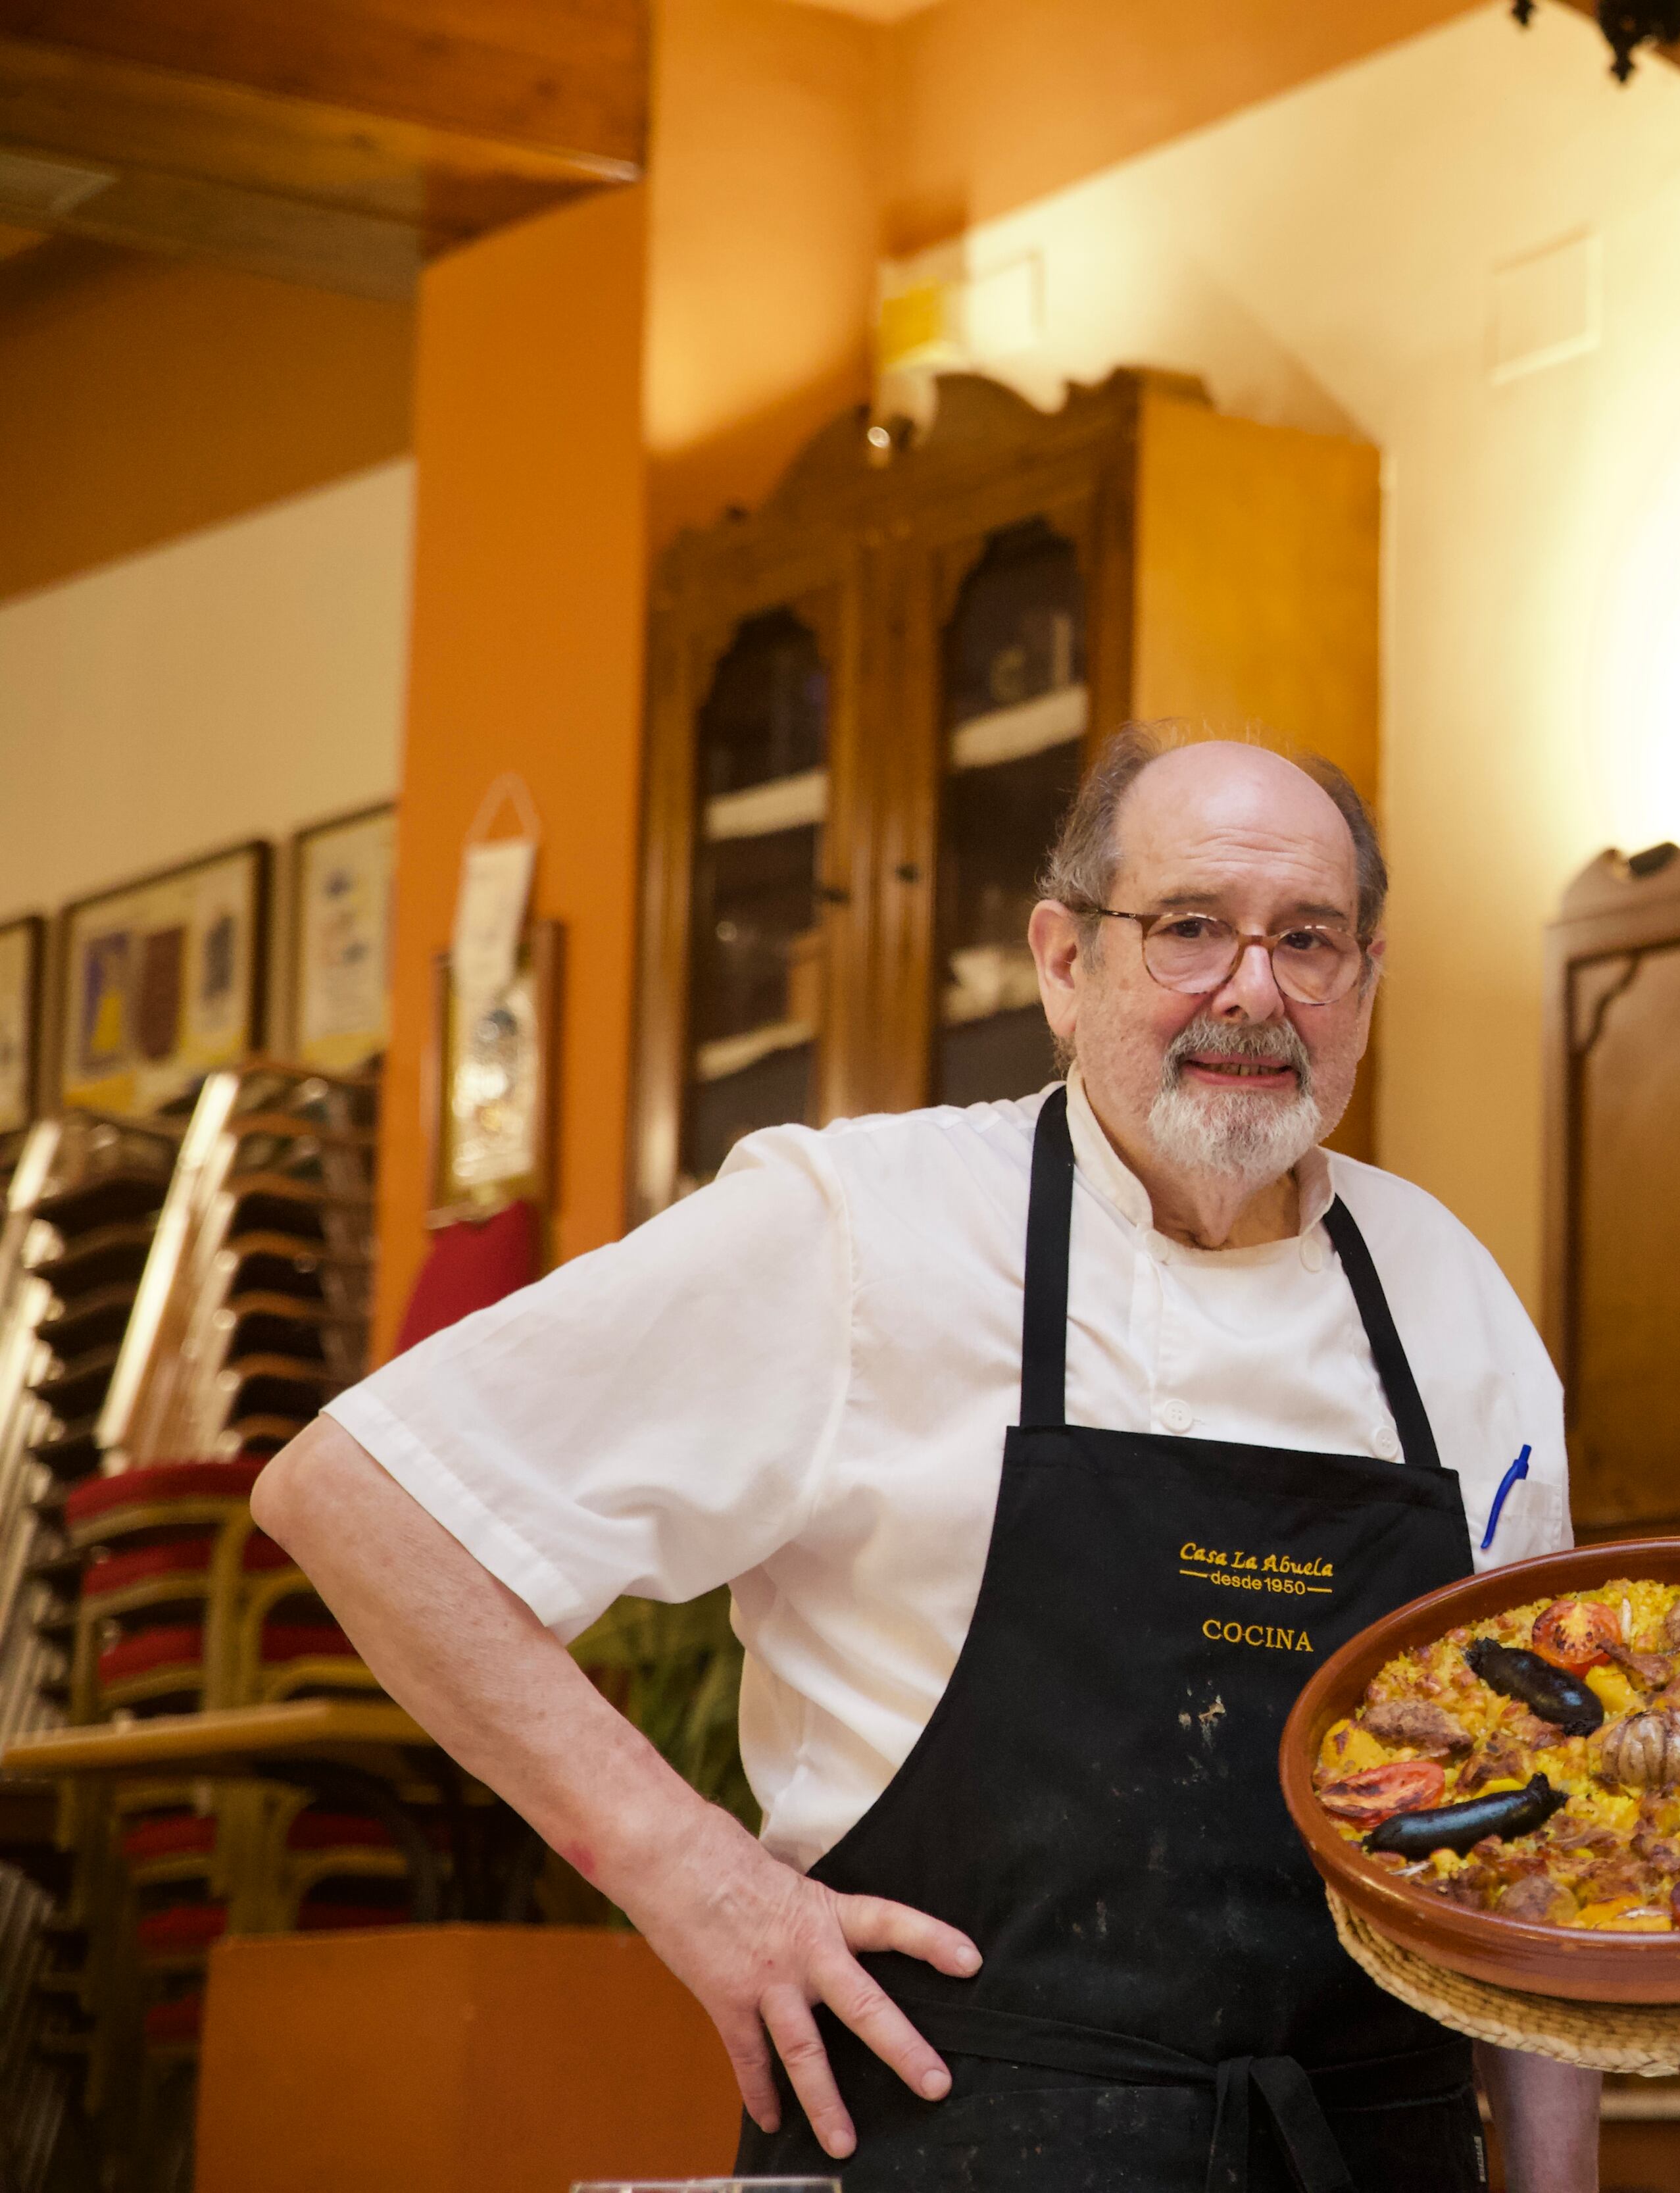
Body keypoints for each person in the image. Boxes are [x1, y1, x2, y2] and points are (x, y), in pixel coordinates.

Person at [257, 728, 1604, 2190]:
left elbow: (1536, 1833)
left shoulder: (1448, 1296)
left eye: (1309, 940)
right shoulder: (861, 1227)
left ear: (1365, 981)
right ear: (1063, 960)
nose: (1253, 990)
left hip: (1367, 2147)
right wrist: (694, 1875)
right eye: (1191, 929)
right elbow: (363, 1496)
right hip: (952, 2136)